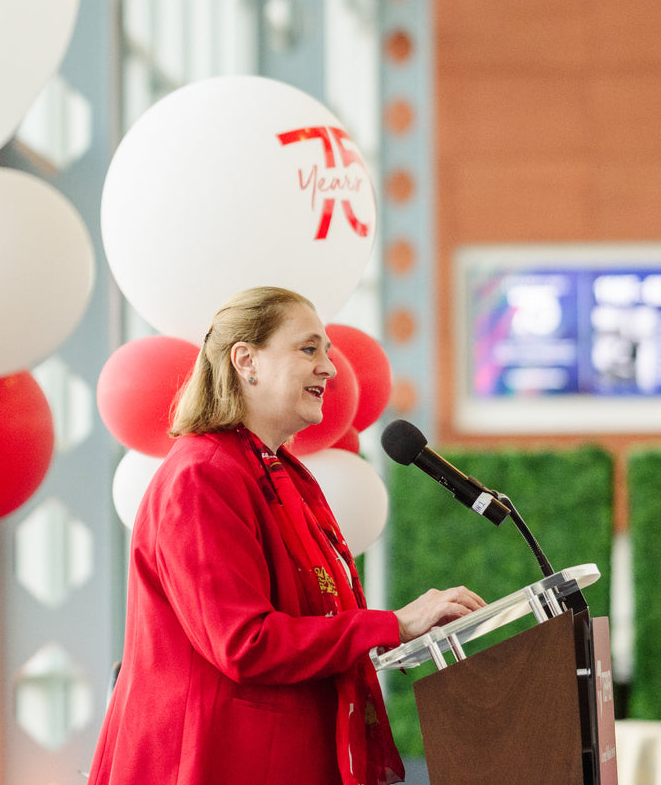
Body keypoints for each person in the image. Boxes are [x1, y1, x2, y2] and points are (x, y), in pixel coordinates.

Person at [87, 286, 485, 785]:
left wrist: (395, 634)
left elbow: (313, 620)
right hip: (212, 763)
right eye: (308, 348)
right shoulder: (202, 475)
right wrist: (389, 626)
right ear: (246, 360)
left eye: (327, 351)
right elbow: (245, 643)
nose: (330, 368)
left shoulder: (275, 469)